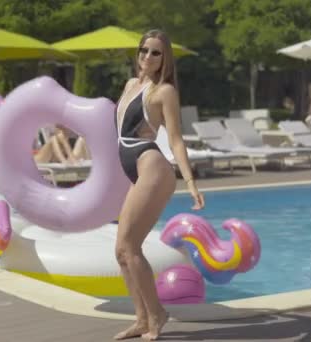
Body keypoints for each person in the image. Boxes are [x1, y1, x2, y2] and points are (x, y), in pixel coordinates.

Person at [113, 29, 205, 341]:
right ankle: (141, 319)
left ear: (165, 58)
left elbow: (176, 140)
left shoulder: (163, 92)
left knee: (129, 246)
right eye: (144, 50)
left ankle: (157, 315)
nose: (147, 57)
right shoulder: (129, 85)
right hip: (135, 170)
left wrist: (191, 182)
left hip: (151, 166)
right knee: (121, 251)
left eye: (156, 52)